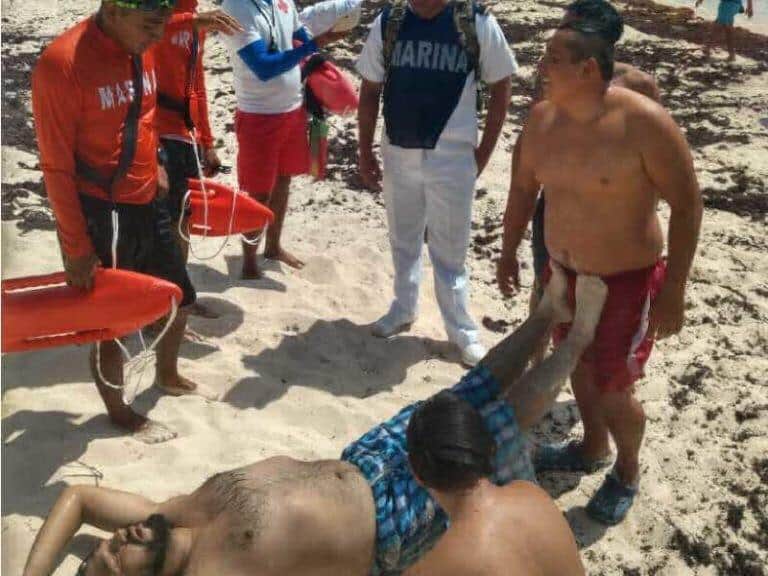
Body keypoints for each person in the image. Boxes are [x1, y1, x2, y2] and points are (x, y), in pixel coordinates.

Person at [23, 265, 606, 576]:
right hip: (389, 525)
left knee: (463, 395)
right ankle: (576, 340)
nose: (115, 541)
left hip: (362, 459)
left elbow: (77, 498)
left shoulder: (168, 515)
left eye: (101, 548)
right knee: (494, 424)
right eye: (112, 559)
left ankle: (549, 313)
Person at [498, 2, 703, 525]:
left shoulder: (643, 122)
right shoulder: (542, 122)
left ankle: (626, 471)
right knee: (578, 369)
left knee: (613, 386)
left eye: (552, 59)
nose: (539, 67)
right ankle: (591, 449)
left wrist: (675, 288)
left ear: (587, 69)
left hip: (627, 282)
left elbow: (687, 202)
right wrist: (507, 250)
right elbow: (523, 190)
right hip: (563, 275)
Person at [31, 0, 210, 444]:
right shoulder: (62, 65)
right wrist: (75, 247)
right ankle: (120, 413)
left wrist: (156, 166)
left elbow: (143, 114)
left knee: (179, 298)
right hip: (100, 210)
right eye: (150, 24)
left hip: (148, 198)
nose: (157, 35)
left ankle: (166, 374)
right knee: (110, 328)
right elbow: (55, 167)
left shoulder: (140, 43)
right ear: (113, 9)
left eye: (162, 22)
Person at [356, 0, 517, 367]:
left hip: (453, 156)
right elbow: (369, 90)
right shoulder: (391, 21)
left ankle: (462, 330)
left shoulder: (473, 21)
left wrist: (483, 155)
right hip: (398, 150)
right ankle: (403, 307)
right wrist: (365, 150)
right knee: (403, 236)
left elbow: (502, 85)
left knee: (451, 248)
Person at [513, 0, 662, 365]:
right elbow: (537, 126)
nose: (561, 36)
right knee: (545, 286)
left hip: (614, 212)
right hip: (557, 199)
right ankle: (536, 367)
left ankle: (604, 373)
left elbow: (656, 157)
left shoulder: (639, 88)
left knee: (609, 299)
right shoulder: (552, 72)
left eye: (570, 28)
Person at [221, 0, 343, 279]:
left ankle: (273, 247)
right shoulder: (236, 7)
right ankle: (249, 262)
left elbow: (298, 33)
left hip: (292, 109)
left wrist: (326, 32)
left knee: (284, 180)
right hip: (258, 114)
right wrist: (314, 45)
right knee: (258, 191)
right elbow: (262, 67)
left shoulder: (282, 1)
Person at [154, 1, 242, 320]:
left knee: (183, 221)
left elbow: (197, 85)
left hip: (184, 133)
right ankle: (159, 309)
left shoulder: (196, 18)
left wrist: (206, 140)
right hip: (154, 130)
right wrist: (193, 19)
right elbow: (142, 26)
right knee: (159, 226)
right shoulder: (160, 9)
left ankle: (179, 299)